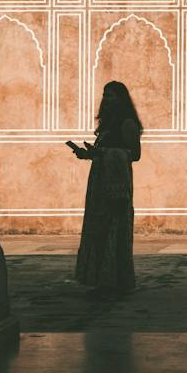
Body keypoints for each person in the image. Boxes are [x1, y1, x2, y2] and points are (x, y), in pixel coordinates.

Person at [69, 80, 143, 298]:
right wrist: (90, 154)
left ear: (121, 99)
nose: (107, 100)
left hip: (116, 183)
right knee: (99, 228)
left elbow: (134, 154)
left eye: (111, 96)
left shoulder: (127, 123)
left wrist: (104, 154)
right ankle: (103, 280)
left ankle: (115, 280)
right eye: (105, 95)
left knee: (114, 228)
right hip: (101, 181)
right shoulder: (108, 124)